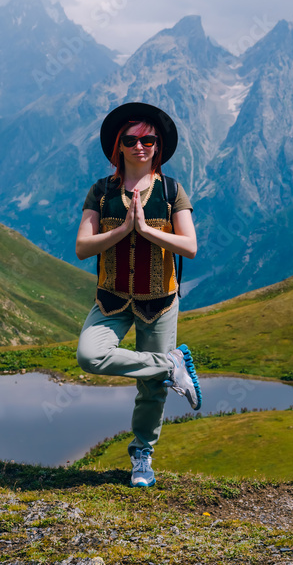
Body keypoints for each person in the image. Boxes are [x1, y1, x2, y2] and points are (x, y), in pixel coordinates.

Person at [75, 102, 202, 488]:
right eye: (131, 139)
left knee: (150, 391)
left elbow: (190, 246)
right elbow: (83, 247)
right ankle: (170, 365)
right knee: (89, 355)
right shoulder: (101, 192)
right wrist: (123, 229)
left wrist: (146, 231)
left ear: (158, 146)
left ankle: (142, 456)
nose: (140, 146)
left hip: (159, 301)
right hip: (110, 299)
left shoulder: (171, 191)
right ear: (119, 146)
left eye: (148, 139)